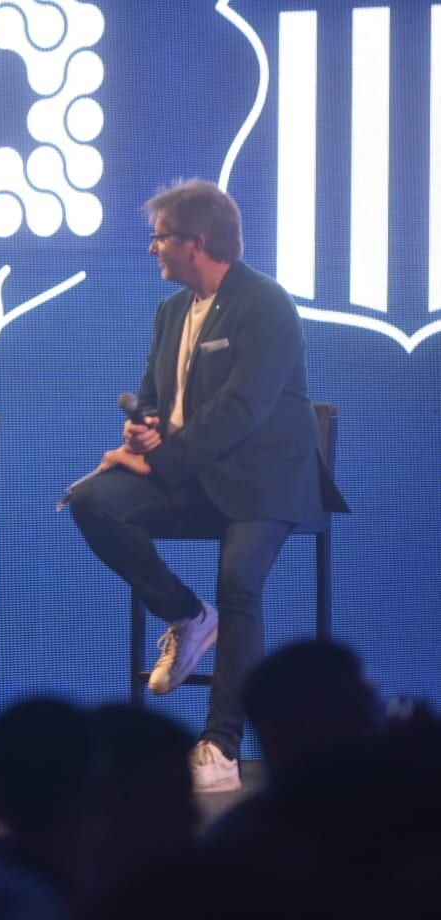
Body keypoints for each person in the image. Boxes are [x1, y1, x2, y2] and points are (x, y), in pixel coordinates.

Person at [69, 179, 349, 793]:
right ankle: (189, 617)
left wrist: (162, 462)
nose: (152, 250)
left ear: (196, 244)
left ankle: (220, 747)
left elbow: (240, 409)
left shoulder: (266, 302)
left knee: (238, 582)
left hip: (265, 479)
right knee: (92, 501)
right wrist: (141, 432)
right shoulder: (171, 310)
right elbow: (153, 393)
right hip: (192, 474)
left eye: (160, 238)